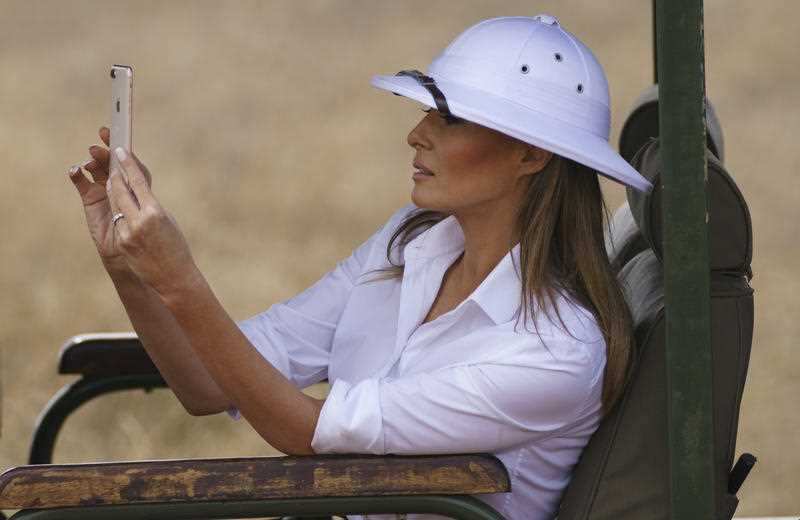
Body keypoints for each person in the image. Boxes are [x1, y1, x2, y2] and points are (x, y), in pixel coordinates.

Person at [66, 13, 651, 520]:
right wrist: (131, 270)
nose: (414, 134)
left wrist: (179, 278)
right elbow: (206, 382)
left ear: (531, 153)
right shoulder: (407, 243)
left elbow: (306, 433)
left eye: (448, 119)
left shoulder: (554, 352)